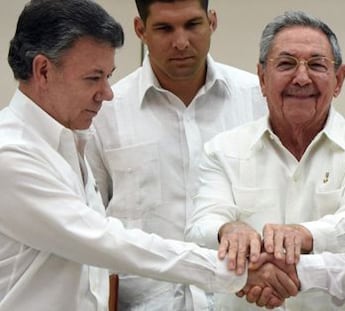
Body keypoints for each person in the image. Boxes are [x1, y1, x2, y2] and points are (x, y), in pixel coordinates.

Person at [0, 1, 287, 310]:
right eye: (93, 78)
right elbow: (106, 242)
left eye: (108, 76)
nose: (107, 93)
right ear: (43, 70)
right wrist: (234, 271)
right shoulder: (11, 153)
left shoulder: (68, 140)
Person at [185, 10, 345, 311]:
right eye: (285, 64)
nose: (301, 78)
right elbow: (202, 225)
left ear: (339, 79)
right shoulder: (223, 149)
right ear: (261, 78)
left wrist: (303, 235)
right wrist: (228, 231)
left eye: (317, 65)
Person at [86, 0, 267, 310]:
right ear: (140, 30)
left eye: (192, 25)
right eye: (164, 28)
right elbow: (89, 224)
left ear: (212, 22)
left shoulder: (258, 101)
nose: (181, 42)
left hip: (244, 302)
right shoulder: (104, 113)